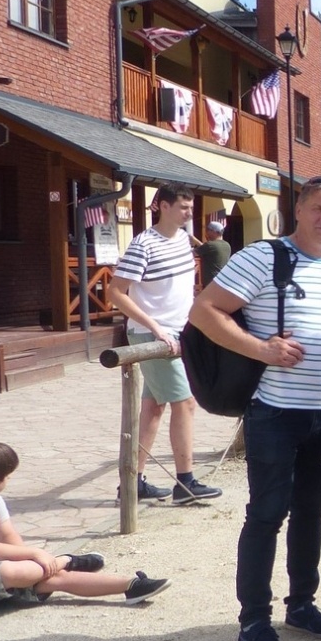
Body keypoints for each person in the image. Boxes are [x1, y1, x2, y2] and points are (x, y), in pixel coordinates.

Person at [190, 175, 321, 641]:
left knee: (312, 512)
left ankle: (302, 604)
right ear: (299, 210)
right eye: (318, 208)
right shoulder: (261, 258)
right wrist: (262, 349)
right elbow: (205, 312)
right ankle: (253, 621)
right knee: (267, 514)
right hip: (274, 409)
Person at [108, 184, 223, 505]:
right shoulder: (143, 244)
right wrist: (155, 327)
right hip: (154, 335)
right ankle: (185, 483)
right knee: (185, 403)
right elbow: (115, 292)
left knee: (152, 408)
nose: (189, 213)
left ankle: (134, 481)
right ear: (163, 207)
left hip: (179, 332)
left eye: (191, 207)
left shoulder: (185, 241)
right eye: (184, 208)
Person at [0, 441, 169, 611]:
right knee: (12, 571)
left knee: (52, 578)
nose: (8, 481)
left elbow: (8, 534)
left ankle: (131, 585)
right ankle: (65, 560)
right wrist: (34, 553)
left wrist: (28, 557)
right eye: (7, 476)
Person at [198, 220, 233, 288]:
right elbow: (207, 248)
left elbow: (193, 253)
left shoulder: (210, 245)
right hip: (223, 280)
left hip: (210, 283)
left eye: (208, 230)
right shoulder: (227, 245)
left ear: (214, 232)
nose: (207, 232)